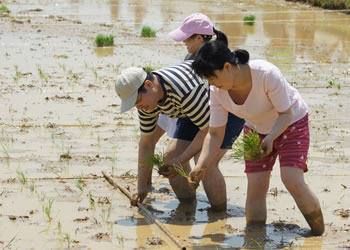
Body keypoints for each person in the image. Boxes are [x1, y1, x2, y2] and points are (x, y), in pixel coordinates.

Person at [188, 40, 324, 236]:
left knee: (291, 179)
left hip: (291, 123)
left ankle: (318, 233)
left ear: (227, 67)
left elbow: (285, 114)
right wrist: (201, 165)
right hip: (256, 130)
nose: (211, 83)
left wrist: (270, 138)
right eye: (207, 79)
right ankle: (254, 239)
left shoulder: (266, 74)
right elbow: (215, 133)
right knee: (256, 186)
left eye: (212, 77)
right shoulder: (217, 91)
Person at [115, 61, 244, 211]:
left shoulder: (185, 91)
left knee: (204, 161)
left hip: (226, 106)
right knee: (170, 158)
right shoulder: (146, 104)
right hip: (192, 112)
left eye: (138, 101)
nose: (139, 107)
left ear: (149, 85)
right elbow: (146, 143)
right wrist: (142, 187)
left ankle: (219, 214)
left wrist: (181, 160)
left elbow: (207, 131)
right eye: (134, 105)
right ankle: (187, 209)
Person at [157, 12, 230, 141]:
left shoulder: (214, 58)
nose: (184, 41)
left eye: (187, 37)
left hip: (212, 113)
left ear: (199, 38)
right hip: (191, 112)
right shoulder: (190, 57)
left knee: (200, 156)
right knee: (172, 157)